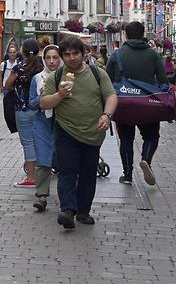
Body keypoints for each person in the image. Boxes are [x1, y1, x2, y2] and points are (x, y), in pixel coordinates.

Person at [40, 36, 117, 229]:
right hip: (66, 130)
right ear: (62, 57)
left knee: (88, 173)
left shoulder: (98, 74)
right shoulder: (56, 77)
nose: (72, 58)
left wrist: (107, 115)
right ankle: (67, 210)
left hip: (93, 133)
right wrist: (59, 95)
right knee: (67, 171)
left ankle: (83, 212)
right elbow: (43, 103)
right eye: (67, 55)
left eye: (75, 54)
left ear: (83, 54)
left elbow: (111, 96)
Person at [105, 21, 169, 186]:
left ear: (125, 35)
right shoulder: (153, 55)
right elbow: (163, 80)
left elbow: (107, 80)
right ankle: (146, 159)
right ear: (143, 35)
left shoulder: (117, 55)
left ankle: (127, 175)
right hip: (148, 103)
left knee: (126, 139)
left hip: (124, 103)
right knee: (151, 136)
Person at [28, 45, 61, 211]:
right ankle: (41, 196)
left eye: (55, 57)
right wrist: (40, 97)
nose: (52, 61)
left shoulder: (67, 77)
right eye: (48, 58)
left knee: (64, 159)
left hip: (63, 123)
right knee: (43, 159)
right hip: (42, 123)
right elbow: (31, 104)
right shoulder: (37, 78)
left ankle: (68, 197)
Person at [6, 39, 42, 187]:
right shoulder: (42, 66)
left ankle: (31, 178)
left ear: (23, 51)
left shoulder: (19, 67)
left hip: (23, 108)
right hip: (40, 108)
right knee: (40, 140)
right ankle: (42, 171)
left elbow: (7, 85)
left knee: (27, 142)